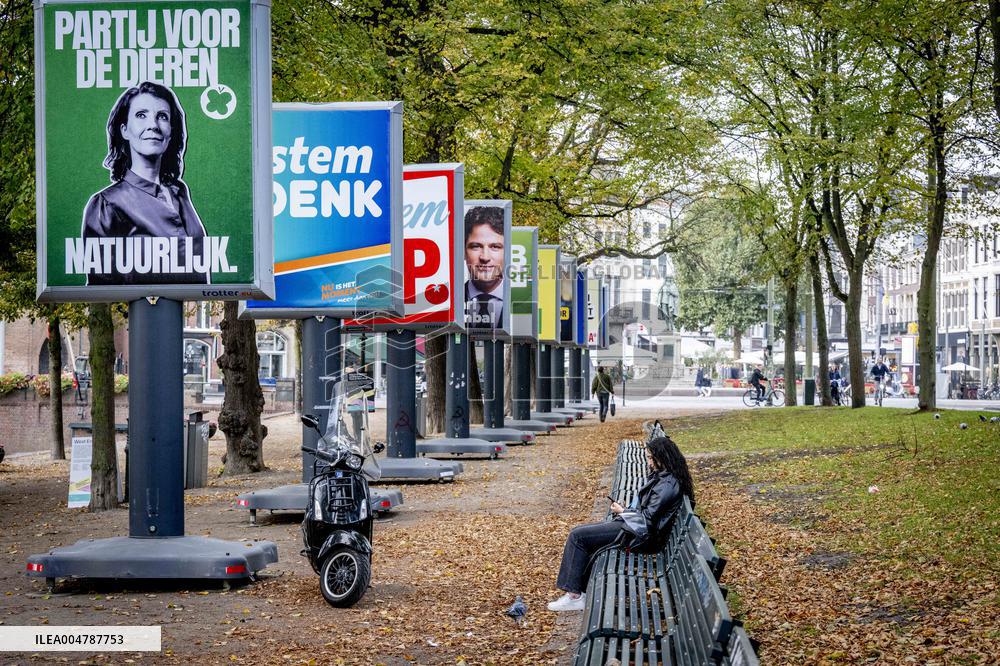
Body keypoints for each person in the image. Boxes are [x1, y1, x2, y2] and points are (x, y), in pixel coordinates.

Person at [547, 436, 695, 612]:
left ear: (662, 457)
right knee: (582, 534)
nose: (648, 462)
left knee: (578, 536)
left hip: (641, 536)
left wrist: (623, 512)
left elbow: (647, 521)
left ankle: (574, 596)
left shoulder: (667, 484)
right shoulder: (666, 477)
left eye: (650, 458)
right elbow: (649, 513)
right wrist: (626, 510)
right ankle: (578, 593)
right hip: (636, 529)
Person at [82, 81, 207, 285]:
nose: (153, 125)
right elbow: (101, 289)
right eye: (141, 115)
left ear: (171, 131)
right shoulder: (106, 204)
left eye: (162, 116)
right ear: (124, 130)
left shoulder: (180, 192)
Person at [463, 206, 505, 329]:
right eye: (476, 246)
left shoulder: (524, 302)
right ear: (464, 251)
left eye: (495, 247)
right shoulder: (448, 304)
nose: (485, 257)